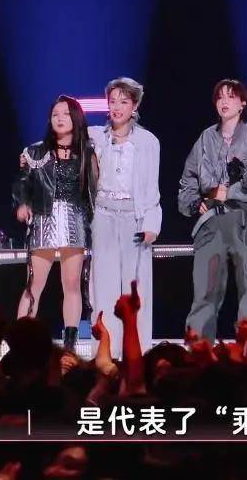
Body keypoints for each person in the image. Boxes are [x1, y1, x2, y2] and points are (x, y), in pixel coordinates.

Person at [178, 79, 247, 343]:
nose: (224, 102)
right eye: (220, 97)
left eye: (231, 96)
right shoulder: (205, 138)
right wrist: (194, 202)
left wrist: (243, 175)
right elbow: (188, 178)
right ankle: (199, 354)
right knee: (204, 293)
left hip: (245, 220)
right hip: (211, 222)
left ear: (242, 103)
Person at [13, 95, 98, 352]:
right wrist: (23, 203)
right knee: (34, 284)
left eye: (65, 114)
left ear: (76, 118)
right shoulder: (35, 152)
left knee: (71, 285)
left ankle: (69, 346)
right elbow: (22, 183)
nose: (59, 119)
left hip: (75, 220)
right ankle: (21, 342)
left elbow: (94, 190)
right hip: (44, 218)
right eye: (55, 115)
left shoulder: (87, 151)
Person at [87, 77, 161, 359]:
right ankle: (105, 354)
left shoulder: (148, 142)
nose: (117, 107)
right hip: (103, 215)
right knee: (102, 287)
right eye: (113, 101)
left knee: (135, 290)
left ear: (135, 106)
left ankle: (137, 355)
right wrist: (30, 154)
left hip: (135, 218)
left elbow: (152, 189)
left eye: (124, 101)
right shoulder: (95, 136)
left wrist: (151, 224)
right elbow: (60, 137)